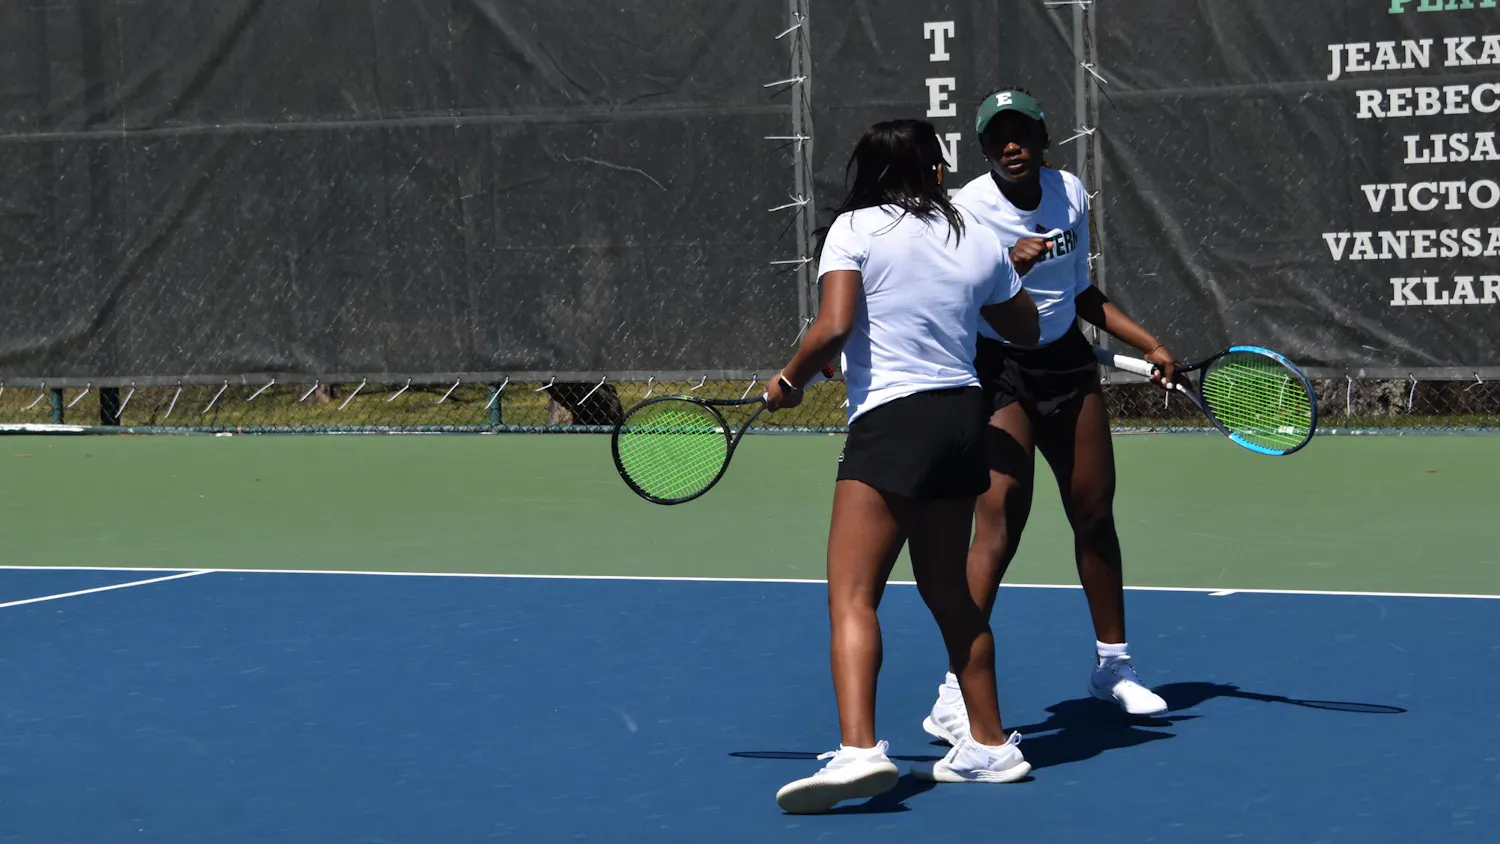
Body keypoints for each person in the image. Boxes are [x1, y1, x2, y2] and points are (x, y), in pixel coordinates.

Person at [766, 119, 1042, 814]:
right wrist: (998, 278)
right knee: (949, 593)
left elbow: (831, 327)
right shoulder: (975, 235)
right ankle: (990, 744)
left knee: (853, 596)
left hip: (894, 420)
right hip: (961, 420)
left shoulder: (854, 230)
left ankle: (859, 752)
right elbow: (1025, 328)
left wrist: (789, 381)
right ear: (936, 171)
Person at [921, 87, 1179, 748]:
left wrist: (1147, 342)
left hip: (1066, 361)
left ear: (1043, 140)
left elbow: (1079, 290)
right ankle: (954, 689)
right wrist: (1006, 266)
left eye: (1022, 134)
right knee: (1001, 517)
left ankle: (1113, 667)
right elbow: (954, 292)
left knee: (1094, 512)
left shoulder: (1070, 194)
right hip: (1000, 366)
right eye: (998, 137)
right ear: (983, 149)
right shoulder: (967, 209)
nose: (1011, 146)